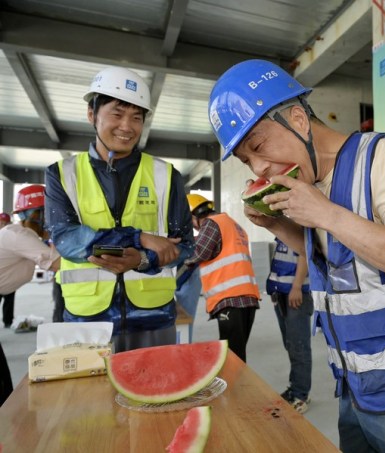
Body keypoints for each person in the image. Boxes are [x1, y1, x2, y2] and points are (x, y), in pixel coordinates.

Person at [208, 59, 385, 452]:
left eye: (259, 146)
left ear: (298, 119)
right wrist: (279, 227)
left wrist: (325, 213)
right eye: (247, 161)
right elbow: (338, 258)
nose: (259, 166)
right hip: (355, 384)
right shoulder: (310, 181)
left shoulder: (383, 156)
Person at [45, 66, 194, 353]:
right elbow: (67, 239)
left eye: (136, 118)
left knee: (154, 394)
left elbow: (184, 246)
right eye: (117, 114)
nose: (127, 127)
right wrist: (139, 237)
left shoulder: (166, 175)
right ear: (92, 114)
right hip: (86, 318)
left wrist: (140, 259)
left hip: (153, 318)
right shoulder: (62, 174)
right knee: (91, 397)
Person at [0, 185, 60, 405]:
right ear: (38, 215)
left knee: (4, 384)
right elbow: (58, 263)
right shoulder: (18, 234)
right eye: (52, 213)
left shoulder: (23, 237)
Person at [184, 194, 260, 362]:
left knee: (231, 357)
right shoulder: (233, 224)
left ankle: (236, 388)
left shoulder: (211, 223)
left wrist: (175, 256)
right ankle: (237, 386)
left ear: (194, 215)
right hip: (246, 297)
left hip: (230, 298)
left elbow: (199, 253)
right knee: (237, 353)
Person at [266, 237, 313, 414]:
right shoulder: (284, 224)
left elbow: (305, 253)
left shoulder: (301, 224)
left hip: (296, 293)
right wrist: (273, 287)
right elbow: (280, 257)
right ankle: (295, 387)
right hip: (281, 292)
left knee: (299, 345)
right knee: (291, 344)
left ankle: (301, 395)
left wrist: (297, 286)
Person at [0, 212, 16, 328]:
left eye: (6, 223)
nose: (3, 224)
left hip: (10, 274)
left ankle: (8, 321)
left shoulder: (12, 236)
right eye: (1, 222)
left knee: (9, 299)